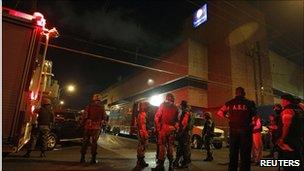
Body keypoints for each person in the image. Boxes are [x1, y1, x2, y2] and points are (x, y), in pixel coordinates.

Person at [216, 87, 256, 171]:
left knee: (233, 154)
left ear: (236, 93)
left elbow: (219, 112)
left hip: (233, 131)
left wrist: (228, 117)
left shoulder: (230, 103)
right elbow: (254, 118)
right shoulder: (250, 103)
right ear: (244, 93)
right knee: (245, 154)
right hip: (246, 132)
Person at [152, 93, 179, 171]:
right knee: (170, 146)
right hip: (172, 129)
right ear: (173, 99)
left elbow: (157, 117)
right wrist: (175, 128)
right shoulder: (176, 107)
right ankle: (171, 166)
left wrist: (157, 128)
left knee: (162, 146)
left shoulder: (163, 105)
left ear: (167, 98)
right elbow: (178, 120)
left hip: (163, 129)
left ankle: (160, 166)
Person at [277, 94, 303, 171]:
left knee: (289, 162)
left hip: (289, 140)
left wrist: (282, 139)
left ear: (286, 100)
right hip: (298, 139)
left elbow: (286, 126)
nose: (281, 102)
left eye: (282, 100)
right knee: (297, 160)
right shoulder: (299, 109)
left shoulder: (287, 110)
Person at [80, 94, 106, 164]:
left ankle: (82, 158)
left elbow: (85, 116)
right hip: (97, 127)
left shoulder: (89, 106)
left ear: (93, 99)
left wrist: (82, 124)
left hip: (88, 126)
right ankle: (93, 159)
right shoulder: (102, 107)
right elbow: (105, 117)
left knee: (85, 142)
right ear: (100, 99)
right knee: (94, 143)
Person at [173, 100, 192, 168]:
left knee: (183, 148)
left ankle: (184, 163)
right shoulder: (185, 111)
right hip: (184, 133)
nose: (180, 106)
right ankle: (178, 162)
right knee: (181, 147)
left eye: (181, 105)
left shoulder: (185, 112)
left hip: (184, 133)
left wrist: (180, 132)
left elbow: (184, 123)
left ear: (182, 105)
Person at [133, 102, 150, 171]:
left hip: (140, 132)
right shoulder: (142, 114)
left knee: (141, 146)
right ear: (144, 107)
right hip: (142, 132)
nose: (148, 107)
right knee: (142, 147)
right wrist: (145, 134)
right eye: (147, 106)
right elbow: (142, 125)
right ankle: (140, 161)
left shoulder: (140, 113)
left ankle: (140, 161)